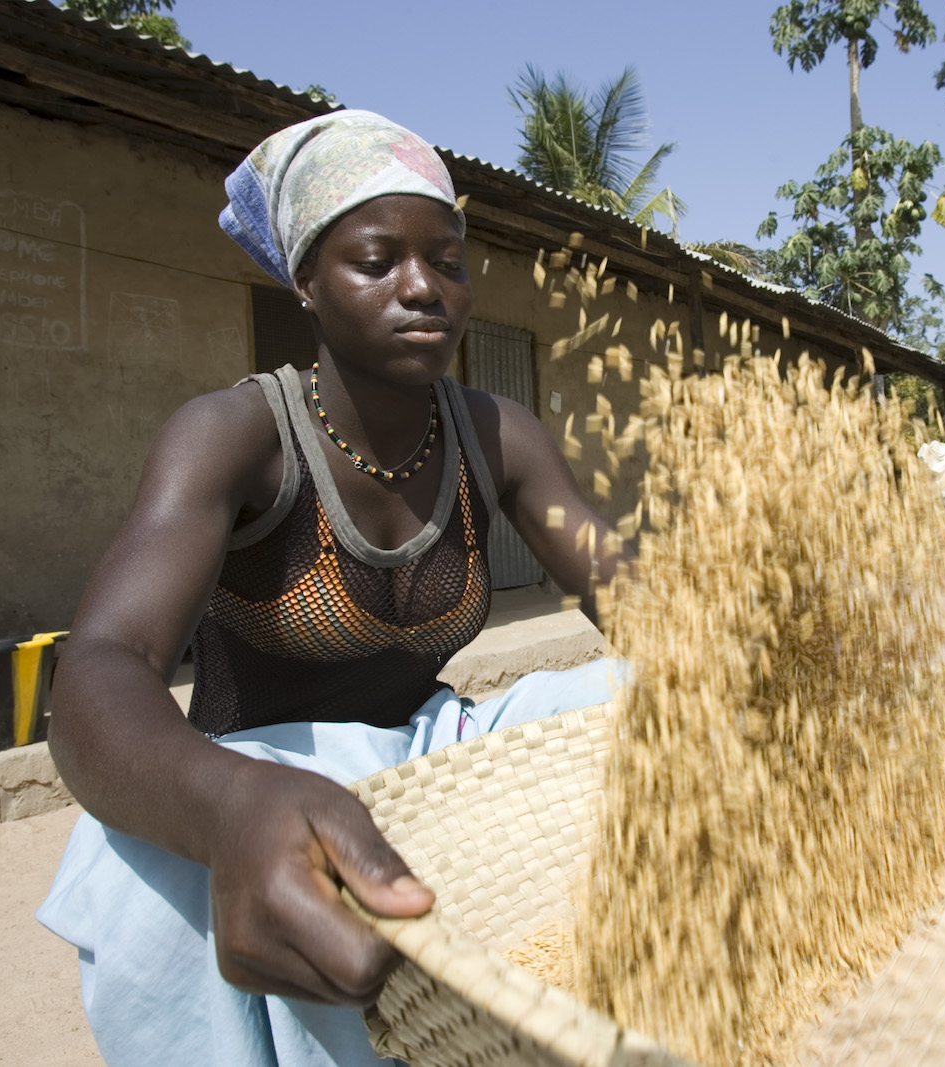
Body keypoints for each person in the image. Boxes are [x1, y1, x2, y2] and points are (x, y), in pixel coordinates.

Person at [37, 111, 627, 1066]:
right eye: (377, 260)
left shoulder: (497, 435)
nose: (423, 288)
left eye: (447, 260)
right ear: (305, 282)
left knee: (645, 701)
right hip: (265, 778)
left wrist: (754, 642)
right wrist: (228, 807)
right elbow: (102, 668)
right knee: (137, 863)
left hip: (431, 756)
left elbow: (631, 594)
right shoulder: (235, 436)